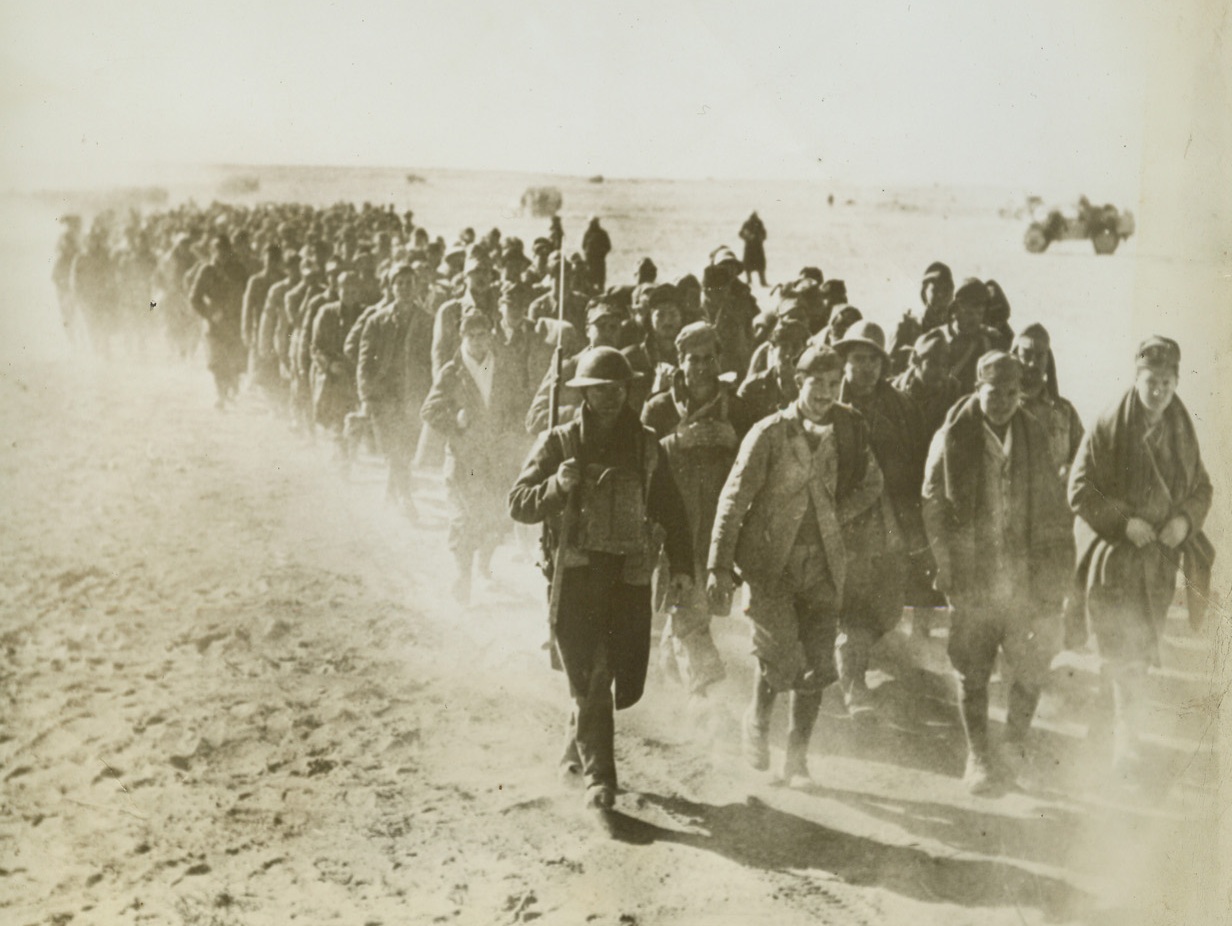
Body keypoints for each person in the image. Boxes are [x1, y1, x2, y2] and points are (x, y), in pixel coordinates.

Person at [508, 347, 694, 822]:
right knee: (590, 675)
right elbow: (518, 502)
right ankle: (600, 779)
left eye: (617, 389)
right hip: (575, 577)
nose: (610, 398)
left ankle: (577, 746)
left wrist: (683, 568)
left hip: (628, 578)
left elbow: (671, 510)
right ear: (584, 394)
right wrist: (557, 487)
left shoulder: (648, 445)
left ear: (628, 390)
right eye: (599, 390)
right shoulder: (560, 441)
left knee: (605, 676)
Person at [708, 345, 884, 783]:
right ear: (797, 382)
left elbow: (872, 483)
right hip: (772, 563)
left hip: (824, 563)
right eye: (816, 383)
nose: (825, 393)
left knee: (818, 663)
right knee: (780, 656)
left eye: (833, 383)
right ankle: (758, 721)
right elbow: (734, 497)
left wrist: (834, 515)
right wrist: (718, 565)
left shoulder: (850, 430)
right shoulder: (769, 433)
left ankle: (797, 757)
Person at [922, 352, 1074, 794]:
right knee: (972, 670)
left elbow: (1052, 505)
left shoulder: (1034, 433)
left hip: (1022, 577)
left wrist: (1052, 574)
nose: (1004, 401)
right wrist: (945, 563)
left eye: (1012, 392)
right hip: (974, 575)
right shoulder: (951, 435)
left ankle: (1013, 747)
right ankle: (979, 757)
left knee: (1031, 663)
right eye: (994, 391)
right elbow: (932, 505)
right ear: (977, 388)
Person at [1068, 337, 1214, 776]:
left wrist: (1184, 523)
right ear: (1137, 378)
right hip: (1115, 558)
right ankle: (1125, 747)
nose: (1159, 392)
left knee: (1138, 653)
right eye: (1152, 381)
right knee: (1121, 651)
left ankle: (1104, 744)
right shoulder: (1110, 424)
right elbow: (1079, 488)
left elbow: (1201, 489)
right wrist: (1122, 522)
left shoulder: (1181, 430)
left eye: (1168, 383)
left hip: (1158, 562)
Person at [642, 323, 756, 702]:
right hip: (672, 523)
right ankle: (702, 697)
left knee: (694, 607)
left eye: (709, 358)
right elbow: (638, 458)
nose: (702, 367)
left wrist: (735, 441)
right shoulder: (659, 407)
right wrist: (675, 442)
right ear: (680, 362)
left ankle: (670, 672)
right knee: (686, 604)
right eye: (693, 359)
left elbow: (761, 459)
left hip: (717, 526)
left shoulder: (737, 408)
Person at [833, 321, 927, 718]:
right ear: (844, 362)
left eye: (873, 359)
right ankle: (853, 686)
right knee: (849, 605)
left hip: (892, 520)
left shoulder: (902, 406)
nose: (866, 367)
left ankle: (856, 660)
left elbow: (920, 463)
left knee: (887, 606)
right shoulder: (826, 402)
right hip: (844, 522)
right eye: (858, 358)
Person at [423, 311, 527, 602]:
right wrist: (455, 420)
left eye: (483, 334)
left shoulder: (504, 367)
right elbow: (429, 411)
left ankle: (484, 567)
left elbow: (520, 405)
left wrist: (512, 432)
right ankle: (463, 575)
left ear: (491, 335)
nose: (478, 341)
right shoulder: (452, 371)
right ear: (462, 337)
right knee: (464, 520)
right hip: (465, 460)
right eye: (471, 336)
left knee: (495, 516)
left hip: (497, 458)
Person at [357, 263, 434, 518]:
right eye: (399, 283)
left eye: (409, 283)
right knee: (393, 448)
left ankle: (391, 495)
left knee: (405, 450)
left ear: (416, 287)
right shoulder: (376, 320)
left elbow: (433, 360)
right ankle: (406, 499)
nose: (404, 288)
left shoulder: (427, 321)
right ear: (391, 287)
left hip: (413, 396)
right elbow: (365, 363)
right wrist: (366, 396)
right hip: (384, 396)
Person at [525, 298, 625, 434]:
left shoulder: (626, 369)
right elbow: (534, 419)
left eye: (613, 327)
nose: (608, 333)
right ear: (588, 330)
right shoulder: (568, 367)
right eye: (601, 326)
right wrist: (580, 413)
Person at [1011, 325, 1083, 482]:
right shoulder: (1003, 408)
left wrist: (1071, 469)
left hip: (1054, 501)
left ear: (1048, 360)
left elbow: (1085, 457)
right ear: (1014, 356)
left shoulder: (1065, 411)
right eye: (1027, 355)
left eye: (1039, 356)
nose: (1032, 363)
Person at [190, 233, 251, 408]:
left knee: (235, 362)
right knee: (217, 363)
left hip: (235, 323)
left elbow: (248, 294)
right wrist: (209, 313)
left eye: (225, 250)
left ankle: (232, 389)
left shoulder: (239, 270)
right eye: (218, 250)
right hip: (215, 325)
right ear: (212, 251)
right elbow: (194, 298)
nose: (221, 254)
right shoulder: (206, 271)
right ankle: (221, 395)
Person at [700, 246, 759, 379]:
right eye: (724, 266)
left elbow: (754, 320)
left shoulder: (744, 294)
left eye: (732, 266)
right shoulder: (705, 294)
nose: (729, 270)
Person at [738, 317, 808, 423]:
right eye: (784, 347)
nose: (789, 354)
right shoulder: (752, 388)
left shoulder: (812, 388)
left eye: (796, 347)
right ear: (772, 349)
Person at [581, 218, 612, 293]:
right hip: (589, 261)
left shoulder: (602, 233)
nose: (592, 224)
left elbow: (608, 246)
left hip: (599, 261)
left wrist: (602, 254)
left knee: (600, 281)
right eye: (591, 223)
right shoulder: (587, 233)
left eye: (594, 222)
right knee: (590, 281)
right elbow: (583, 245)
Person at [739, 212, 768, 287]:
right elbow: (741, 234)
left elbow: (764, 234)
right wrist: (748, 236)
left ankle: (762, 281)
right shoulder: (747, 224)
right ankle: (750, 281)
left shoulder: (759, 223)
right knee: (749, 266)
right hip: (750, 248)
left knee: (760, 266)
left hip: (757, 248)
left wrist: (759, 237)